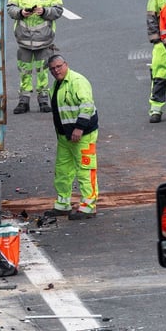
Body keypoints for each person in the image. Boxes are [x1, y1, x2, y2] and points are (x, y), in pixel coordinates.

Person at [43, 54, 98, 221]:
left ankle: (88, 207)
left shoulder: (77, 81)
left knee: (85, 171)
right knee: (63, 171)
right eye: (52, 69)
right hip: (65, 137)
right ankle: (63, 204)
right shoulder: (58, 84)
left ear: (66, 64)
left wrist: (79, 127)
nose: (56, 71)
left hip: (82, 135)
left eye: (58, 66)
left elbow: (87, 105)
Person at [6, 0, 64, 114]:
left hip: (43, 41)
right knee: (24, 71)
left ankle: (43, 100)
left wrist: (44, 11)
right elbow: (10, 9)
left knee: (42, 71)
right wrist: (21, 13)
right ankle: (23, 101)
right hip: (24, 40)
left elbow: (58, 10)